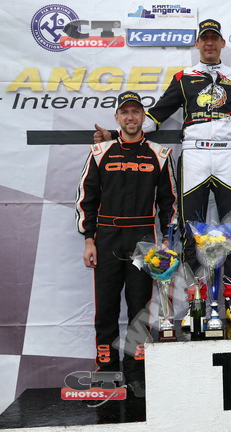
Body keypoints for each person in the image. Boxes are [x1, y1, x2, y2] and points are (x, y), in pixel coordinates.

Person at [94, 19, 231, 326]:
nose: (209, 43)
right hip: (195, 154)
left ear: (222, 43)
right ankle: (196, 300)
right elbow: (156, 115)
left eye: (214, 38)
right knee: (190, 230)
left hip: (227, 154)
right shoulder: (183, 77)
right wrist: (116, 134)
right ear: (197, 44)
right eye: (204, 38)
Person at [75, 91, 177, 398]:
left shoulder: (160, 154)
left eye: (136, 112)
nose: (131, 117)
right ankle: (106, 371)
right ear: (117, 117)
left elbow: (169, 204)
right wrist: (89, 240)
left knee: (139, 310)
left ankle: (137, 373)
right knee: (106, 308)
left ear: (143, 117)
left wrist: (167, 242)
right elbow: (86, 199)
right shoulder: (99, 152)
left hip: (143, 240)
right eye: (125, 112)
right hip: (106, 238)